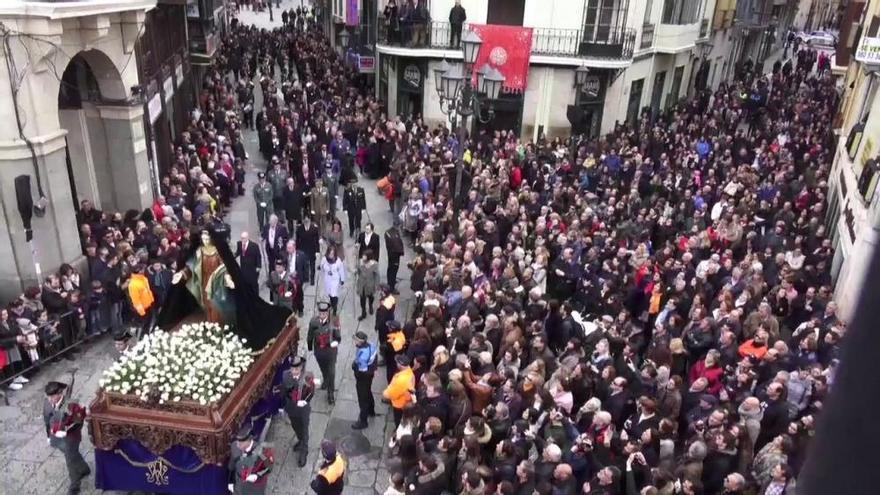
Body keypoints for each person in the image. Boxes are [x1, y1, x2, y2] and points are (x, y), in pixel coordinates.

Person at [43, 380, 90, 494]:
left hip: (71, 438)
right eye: (48, 396)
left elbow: (79, 421)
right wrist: (49, 436)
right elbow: (47, 421)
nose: (49, 399)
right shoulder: (47, 403)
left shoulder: (72, 405)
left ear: (59, 394)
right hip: (56, 436)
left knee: (70, 460)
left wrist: (66, 430)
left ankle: (75, 485)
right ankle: (84, 468)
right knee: (72, 455)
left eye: (52, 396)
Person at [278, 356, 314, 467]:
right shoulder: (285, 375)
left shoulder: (307, 377)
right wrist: (281, 406)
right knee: (295, 426)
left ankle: (304, 450)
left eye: (296, 369)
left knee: (304, 428)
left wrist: (305, 401)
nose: (294, 371)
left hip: (303, 409)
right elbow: (283, 391)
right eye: (292, 369)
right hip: (291, 407)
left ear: (301, 367)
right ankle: (300, 440)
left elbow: (311, 391)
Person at [227, 422, 274, 495]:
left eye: (241, 443)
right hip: (238, 486)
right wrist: (230, 481)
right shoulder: (234, 446)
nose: (238, 445)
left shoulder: (262, 451)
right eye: (238, 442)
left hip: (254, 488)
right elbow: (232, 466)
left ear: (249, 440)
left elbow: (269, 467)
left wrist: (257, 476)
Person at [308, 302, 341, 404]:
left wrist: (336, 342)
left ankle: (330, 393)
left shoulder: (334, 322)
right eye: (320, 313)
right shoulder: (314, 322)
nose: (322, 315)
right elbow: (310, 335)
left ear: (328, 313)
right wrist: (309, 346)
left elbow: (338, 337)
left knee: (332, 372)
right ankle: (325, 379)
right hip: (319, 350)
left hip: (330, 351)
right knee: (323, 368)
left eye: (324, 313)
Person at [351, 331, 378, 429]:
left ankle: (363, 421)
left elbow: (361, 371)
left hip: (364, 377)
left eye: (356, 340)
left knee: (362, 398)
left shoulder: (362, 355)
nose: (355, 342)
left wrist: (354, 367)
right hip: (370, 374)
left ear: (360, 341)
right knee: (368, 391)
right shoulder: (372, 345)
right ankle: (371, 410)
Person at [383, 354, 415, 426]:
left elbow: (392, 394)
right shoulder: (409, 372)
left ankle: (397, 430)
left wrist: (385, 393)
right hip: (405, 401)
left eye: (397, 362)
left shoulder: (401, 380)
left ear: (401, 365)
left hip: (399, 404)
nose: (396, 364)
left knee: (398, 420)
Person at [126, 263, 155, 338]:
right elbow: (136, 300)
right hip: (143, 309)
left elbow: (147, 291)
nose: (144, 270)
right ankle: (142, 338)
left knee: (148, 323)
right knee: (144, 325)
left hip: (149, 304)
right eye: (143, 269)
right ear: (139, 271)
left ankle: (145, 335)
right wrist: (142, 312)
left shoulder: (143, 279)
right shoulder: (133, 284)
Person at [320, 247, 346, 314]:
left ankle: (335, 307)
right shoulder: (324, 259)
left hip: (335, 280)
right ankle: (331, 303)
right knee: (329, 294)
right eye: (330, 253)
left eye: (332, 254)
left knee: (334, 294)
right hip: (327, 279)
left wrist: (342, 279)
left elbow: (341, 270)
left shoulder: (338, 261)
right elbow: (321, 267)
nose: (331, 255)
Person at [296, 215, 320, 285]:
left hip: (312, 249)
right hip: (303, 249)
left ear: (309, 220)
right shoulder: (300, 228)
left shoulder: (314, 228)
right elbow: (297, 240)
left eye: (307, 220)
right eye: (305, 220)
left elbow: (316, 240)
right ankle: (305, 278)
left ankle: (312, 279)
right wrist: (297, 250)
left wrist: (317, 251)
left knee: (312, 265)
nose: (306, 221)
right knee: (304, 265)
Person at [356, 251, 379, 320]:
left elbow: (377, 275)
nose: (363, 257)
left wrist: (376, 285)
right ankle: (363, 313)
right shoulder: (360, 262)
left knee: (371, 297)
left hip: (370, 285)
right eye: (363, 255)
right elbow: (358, 270)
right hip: (362, 284)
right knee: (362, 300)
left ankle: (370, 305)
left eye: (364, 256)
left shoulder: (374, 264)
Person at [384, 226, 404, 292]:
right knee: (394, 270)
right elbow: (398, 246)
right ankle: (391, 287)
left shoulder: (387, 233)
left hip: (390, 254)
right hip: (395, 256)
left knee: (390, 268)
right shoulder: (395, 237)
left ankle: (389, 281)